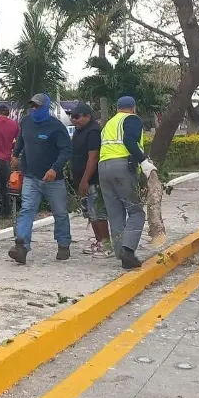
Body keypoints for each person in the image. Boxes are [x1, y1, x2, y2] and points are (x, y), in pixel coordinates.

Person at [9, 93, 73, 264]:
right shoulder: (26, 122)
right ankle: (21, 247)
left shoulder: (56, 127)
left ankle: (63, 244)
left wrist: (54, 168)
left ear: (45, 107)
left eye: (37, 106)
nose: (34, 109)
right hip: (30, 176)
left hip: (53, 179)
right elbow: (21, 140)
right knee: (27, 210)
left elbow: (67, 150)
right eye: (32, 106)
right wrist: (15, 154)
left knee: (59, 213)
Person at [98, 96, 157, 270]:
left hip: (103, 168)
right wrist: (144, 162)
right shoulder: (131, 119)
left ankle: (120, 253)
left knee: (115, 214)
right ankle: (128, 250)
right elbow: (130, 141)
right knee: (136, 212)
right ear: (133, 108)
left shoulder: (108, 124)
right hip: (121, 167)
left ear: (117, 108)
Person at [67, 103, 112, 258]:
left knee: (98, 213)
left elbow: (93, 157)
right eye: (72, 117)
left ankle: (107, 245)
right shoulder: (79, 132)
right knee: (90, 214)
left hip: (93, 180)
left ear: (87, 116)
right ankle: (99, 242)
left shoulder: (93, 131)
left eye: (77, 117)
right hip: (82, 180)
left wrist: (85, 180)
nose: (74, 120)